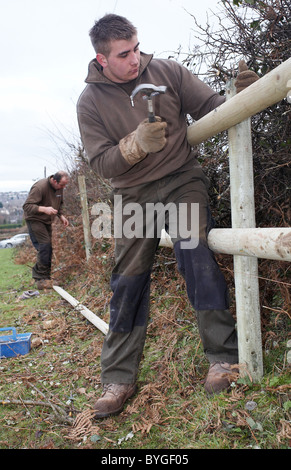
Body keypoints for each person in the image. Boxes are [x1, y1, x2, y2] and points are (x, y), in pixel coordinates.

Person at [77, 14, 259, 418]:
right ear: (101, 59)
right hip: (130, 194)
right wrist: (135, 145)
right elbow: (102, 165)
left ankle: (222, 358)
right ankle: (118, 378)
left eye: (137, 48)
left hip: (182, 180)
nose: (135, 59)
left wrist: (246, 97)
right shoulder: (90, 102)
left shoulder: (168, 71)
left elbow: (213, 107)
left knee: (194, 250)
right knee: (127, 278)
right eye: (124, 54)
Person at [23, 171, 70, 289]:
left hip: (47, 220)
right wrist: (44, 209)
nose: (63, 188)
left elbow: (59, 204)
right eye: (61, 185)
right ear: (54, 180)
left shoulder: (59, 187)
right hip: (35, 219)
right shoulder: (39, 187)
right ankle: (40, 279)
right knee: (44, 246)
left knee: (48, 248)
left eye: (65, 185)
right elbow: (27, 206)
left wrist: (61, 215)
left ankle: (46, 278)